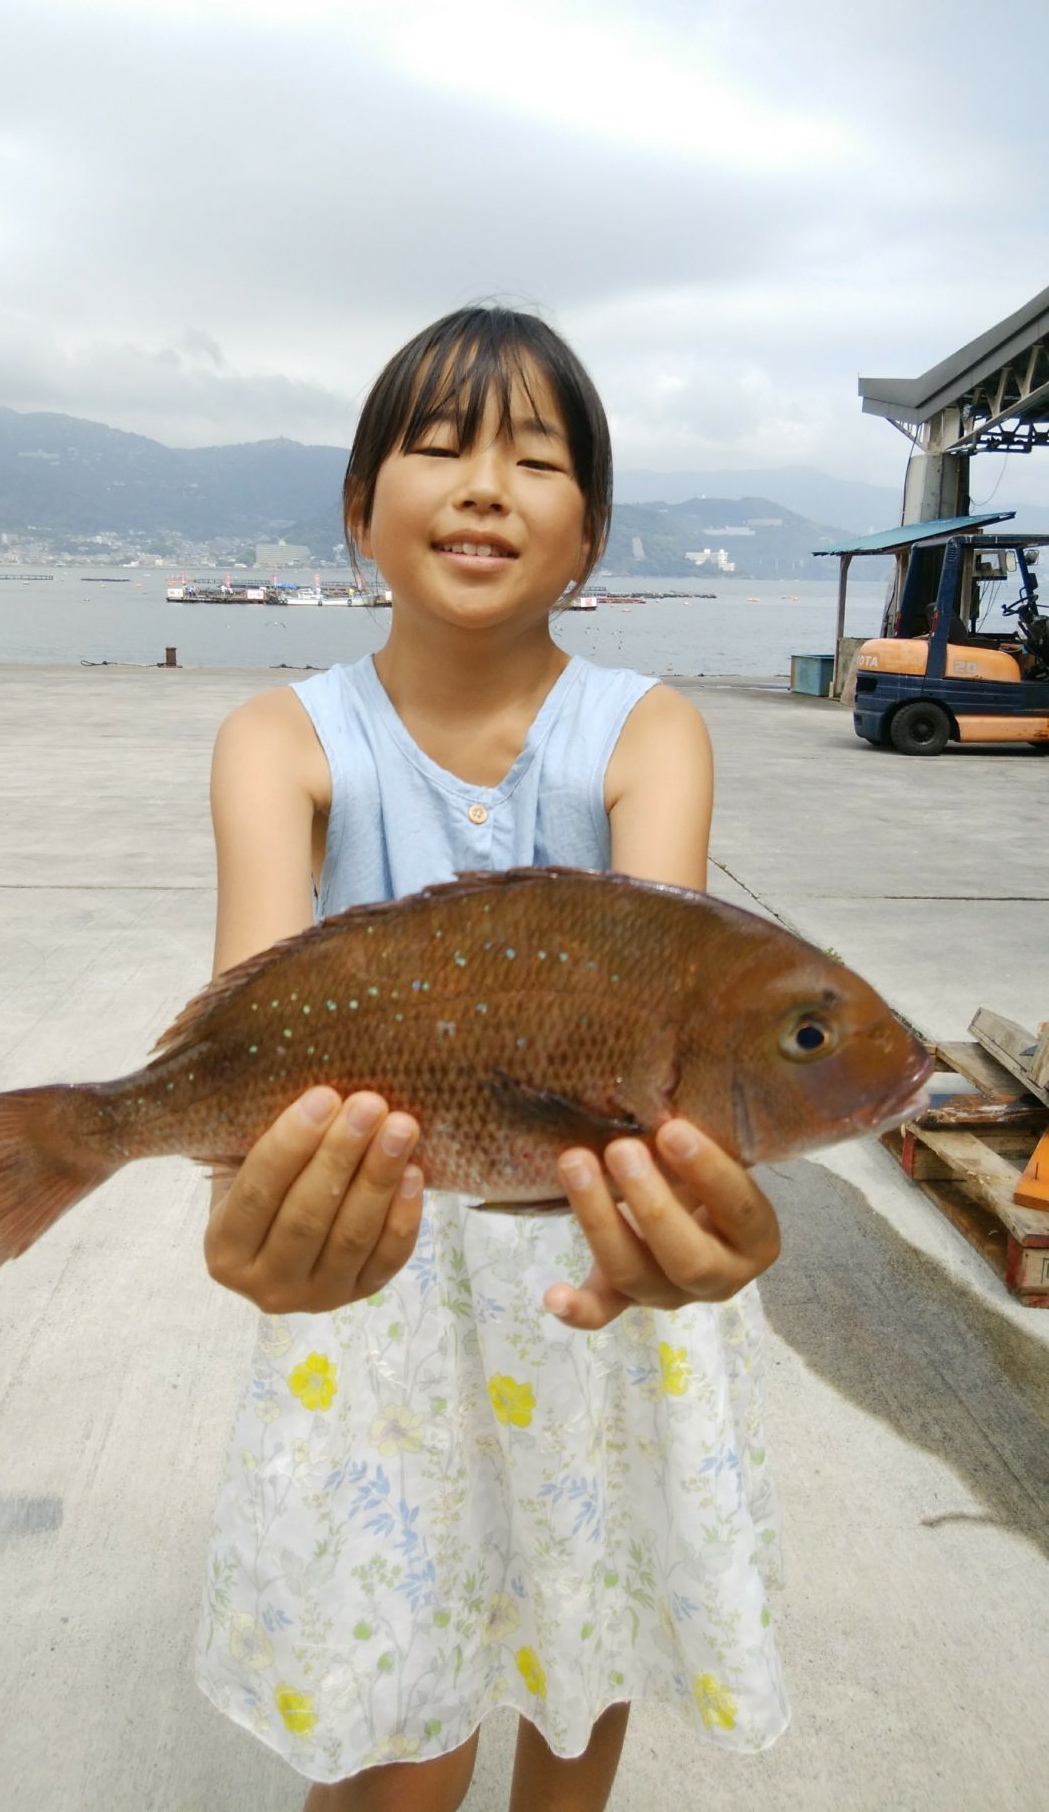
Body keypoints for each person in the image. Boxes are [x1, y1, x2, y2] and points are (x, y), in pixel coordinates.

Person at [195, 306, 788, 1810]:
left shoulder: (648, 732)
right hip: (378, 1279)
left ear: (587, 534)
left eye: (535, 458)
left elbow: (679, 1012)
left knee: (577, 1679)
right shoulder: (280, 739)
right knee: (401, 1726)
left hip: (593, 1280)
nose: (482, 485)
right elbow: (244, 1052)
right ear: (358, 509)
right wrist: (249, 1212)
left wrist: (701, 1207)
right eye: (438, 445)